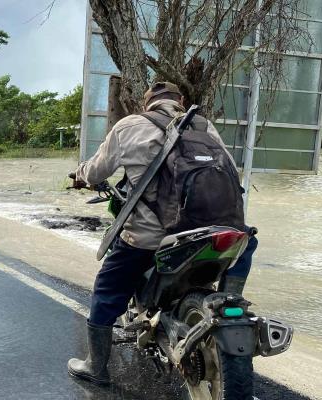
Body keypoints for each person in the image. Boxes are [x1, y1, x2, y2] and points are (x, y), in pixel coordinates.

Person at [66, 82, 258, 385]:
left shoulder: (128, 125)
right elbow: (230, 170)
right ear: (180, 101)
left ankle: (96, 367)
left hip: (152, 239)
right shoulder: (203, 125)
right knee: (247, 243)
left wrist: (80, 175)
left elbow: (96, 171)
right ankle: (230, 297)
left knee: (107, 289)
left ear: (147, 104)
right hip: (218, 231)